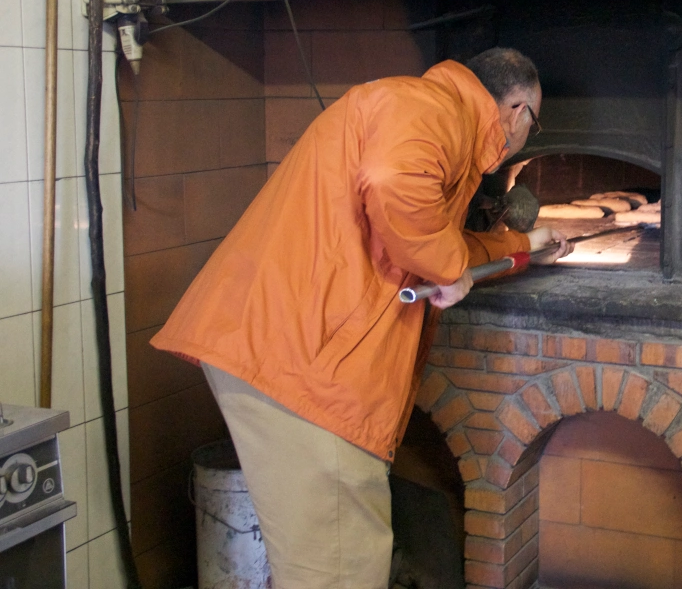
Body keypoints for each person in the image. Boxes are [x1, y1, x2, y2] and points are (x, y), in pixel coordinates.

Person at [151, 47, 569, 589]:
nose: (523, 138)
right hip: (306, 367)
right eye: (532, 126)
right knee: (341, 569)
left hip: (288, 349)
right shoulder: (429, 107)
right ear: (517, 112)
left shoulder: (430, 114)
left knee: (322, 561)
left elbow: (428, 238)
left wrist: (521, 246)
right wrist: (446, 267)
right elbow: (397, 186)